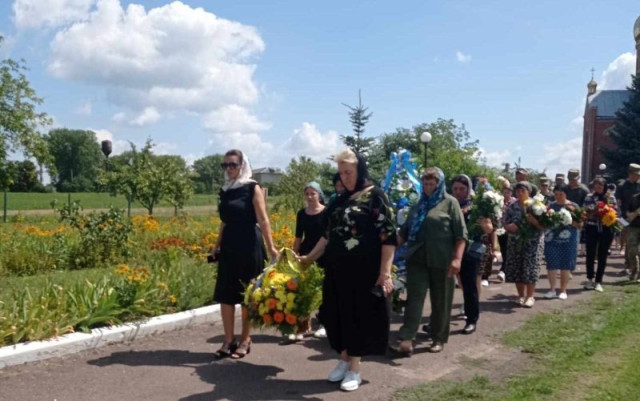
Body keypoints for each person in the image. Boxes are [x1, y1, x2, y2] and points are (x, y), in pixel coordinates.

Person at [300, 149, 396, 392]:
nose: (345, 177)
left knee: (357, 316)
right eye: (341, 173)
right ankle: (343, 360)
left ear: (360, 170)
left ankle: (355, 368)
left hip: (363, 271)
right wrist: (308, 259)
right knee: (336, 314)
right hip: (336, 269)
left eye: (349, 172)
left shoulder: (376, 196)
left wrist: (385, 273)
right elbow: (327, 236)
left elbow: (388, 237)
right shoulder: (340, 200)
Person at [391, 167, 467, 354]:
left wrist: (457, 259)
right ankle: (407, 338)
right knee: (414, 299)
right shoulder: (418, 204)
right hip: (417, 258)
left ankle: (438, 338)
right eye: (425, 184)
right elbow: (405, 232)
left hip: (442, 260)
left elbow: (461, 235)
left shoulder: (450, 203)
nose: (427, 187)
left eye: (431, 184)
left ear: (439, 184)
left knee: (441, 300)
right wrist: (387, 249)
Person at [212, 149, 278, 360]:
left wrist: (272, 248)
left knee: (247, 295)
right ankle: (228, 340)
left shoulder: (252, 187)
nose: (229, 168)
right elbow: (224, 221)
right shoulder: (225, 190)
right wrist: (216, 245)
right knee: (226, 294)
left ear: (242, 166)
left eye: (233, 164)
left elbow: (263, 219)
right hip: (229, 246)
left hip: (249, 245)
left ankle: (245, 340)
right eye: (225, 165)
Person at [451, 174, 493, 335]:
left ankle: (471, 320)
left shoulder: (477, 205)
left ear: (468, 189)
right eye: (455, 188)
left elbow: (489, 228)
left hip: (471, 250)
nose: (458, 192)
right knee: (448, 285)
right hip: (451, 248)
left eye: (462, 189)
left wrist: (485, 225)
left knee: (470, 285)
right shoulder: (449, 204)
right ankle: (438, 321)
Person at [291, 181, 327, 340]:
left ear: (319, 195)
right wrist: (293, 255)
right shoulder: (302, 213)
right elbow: (298, 237)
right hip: (305, 253)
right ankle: (303, 325)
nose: (310, 197)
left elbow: (327, 237)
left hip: (323, 253)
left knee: (323, 290)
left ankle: (324, 323)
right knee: (304, 290)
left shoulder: (327, 212)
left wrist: (313, 255)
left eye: (313, 193)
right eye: (307, 194)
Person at [503, 181, 544, 308]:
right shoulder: (512, 206)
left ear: (529, 192)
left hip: (533, 242)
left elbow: (544, 225)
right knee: (517, 267)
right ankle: (521, 296)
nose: (520, 193)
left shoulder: (536, 206)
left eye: (523, 190)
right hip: (515, 242)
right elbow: (504, 223)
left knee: (531, 268)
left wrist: (534, 221)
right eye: (518, 190)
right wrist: (509, 227)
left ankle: (530, 296)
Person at [543, 184, 582, 300]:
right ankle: (552, 290)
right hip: (552, 240)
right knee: (552, 265)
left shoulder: (573, 206)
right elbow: (544, 222)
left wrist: (568, 220)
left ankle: (563, 290)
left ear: (566, 194)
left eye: (561, 194)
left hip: (568, 240)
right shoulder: (550, 206)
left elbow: (580, 224)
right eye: (556, 194)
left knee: (566, 265)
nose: (558, 196)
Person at [582, 177, 617, 292]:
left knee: (603, 254)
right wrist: (595, 211)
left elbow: (615, 211)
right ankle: (589, 279)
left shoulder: (610, 197)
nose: (598, 187)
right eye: (596, 185)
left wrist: (607, 211)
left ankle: (598, 281)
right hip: (592, 227)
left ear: (604, 186)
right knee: (590, 254)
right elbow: (585, 212)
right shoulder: (589, 197)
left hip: (606, 228)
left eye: (600, 185)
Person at [615, 163, 640, 276]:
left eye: (638, 175)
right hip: (626, 217)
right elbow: (618, 203)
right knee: (627, 241)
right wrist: (624, 215)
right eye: (635, 174)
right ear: (630, 174)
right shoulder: (622, 186)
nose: (637, 177)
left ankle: (634, 267)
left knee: (633, 244)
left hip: (638, 217)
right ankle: (627, 266)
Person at [497, 180, 516, 282]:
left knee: (509, 250)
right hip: (500, 229)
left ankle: (503, 270)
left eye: (508, 191)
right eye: (505, 191)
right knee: (503, 249)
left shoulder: (514, 202)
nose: (506, 193)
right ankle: (506, 269)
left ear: (511, 192)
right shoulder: (499, 201)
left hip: (511, 229)